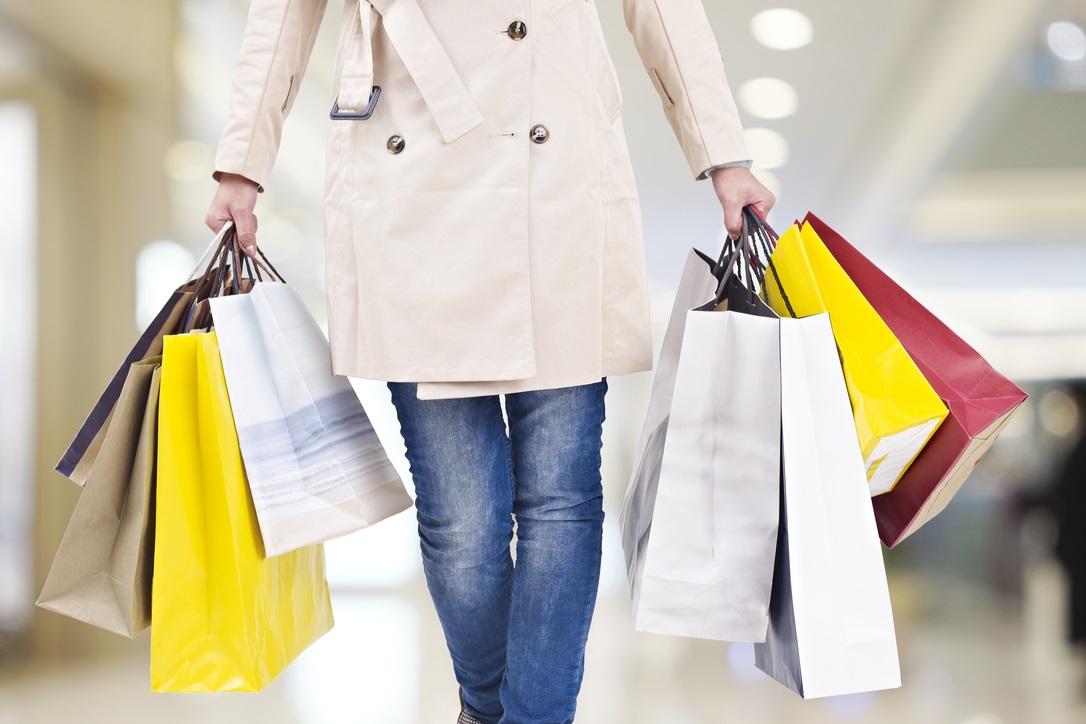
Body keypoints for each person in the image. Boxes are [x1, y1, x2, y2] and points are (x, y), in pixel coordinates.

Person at [205, 1, 774, 722]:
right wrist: (243, 165)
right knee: (462, 520)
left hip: (555, 179)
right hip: (409, 174)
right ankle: (484, 705)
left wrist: (724, 152)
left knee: (561, 501)